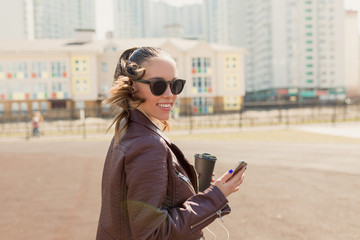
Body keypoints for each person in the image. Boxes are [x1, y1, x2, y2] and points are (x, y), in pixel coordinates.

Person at [96, 47, 246, 240]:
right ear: (133, 86)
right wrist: (216, 196)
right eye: (158, 86)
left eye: (175, 85)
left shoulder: (130, 129)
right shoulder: (147, 144)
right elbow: (154, 234)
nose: (170, 94)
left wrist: (192, 189)